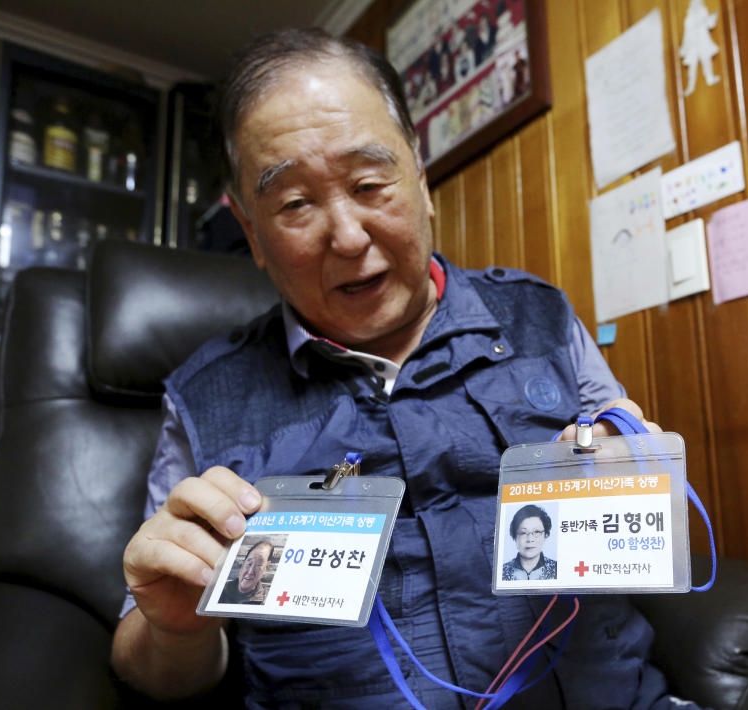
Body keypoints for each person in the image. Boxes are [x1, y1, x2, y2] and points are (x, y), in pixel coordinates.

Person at [112, 27, 694, 710]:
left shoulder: (539, 317)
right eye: (296, 204)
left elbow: (641, 491)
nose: (349, 236)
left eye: (368, 183)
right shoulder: (204, 400)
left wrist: (633, 475)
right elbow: (154, 667)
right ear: (252, 235)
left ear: (421, 182)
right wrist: (176, 627)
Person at [501, 504, 557, 581]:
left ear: (545, 535)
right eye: (523, 533)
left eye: (536, 532)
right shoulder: (502, 572)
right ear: (515, 536)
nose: (530, 539)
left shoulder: (558, 569)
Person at [219, 539, 274, 604]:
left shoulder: (265, 601)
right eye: (249, 563)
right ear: (243, 564)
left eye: (259, 564)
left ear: (266, 568)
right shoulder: (221, 590)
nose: (250, 572)